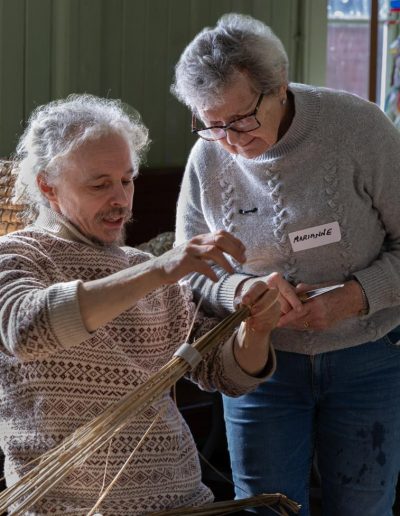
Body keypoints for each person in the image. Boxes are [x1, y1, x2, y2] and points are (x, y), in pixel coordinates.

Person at [0, 94, 280, 515]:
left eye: (127, 180)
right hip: (68, 507)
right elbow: (26, 329)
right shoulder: (18, 256)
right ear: (47, 185)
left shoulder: (143, 268)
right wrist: (159, 269)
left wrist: (255, 330)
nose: (120, 199)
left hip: (179, 501)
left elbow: (222, 372)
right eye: (99, 185)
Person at [171, 12, 400, 516]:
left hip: (368, 356)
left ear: (278, 87)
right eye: (212, 125)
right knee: (265, 508)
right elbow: (190, 269)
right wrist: (240, 293)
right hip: (259, 367)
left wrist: (358, 296)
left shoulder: (359, 128)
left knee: (363, 507)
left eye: (241, 120)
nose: (231, 141)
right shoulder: (208, 158)